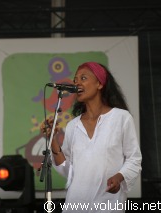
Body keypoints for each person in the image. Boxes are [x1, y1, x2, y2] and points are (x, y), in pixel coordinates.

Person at [41, 62, 142, 212]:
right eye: (75, 80)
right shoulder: (73, 126)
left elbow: (134, 159)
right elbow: (68, 172)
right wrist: (53, 140)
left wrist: (120, 177)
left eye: (83, 78)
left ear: (100, 84)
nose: (77, 83)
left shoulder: (121, 118)